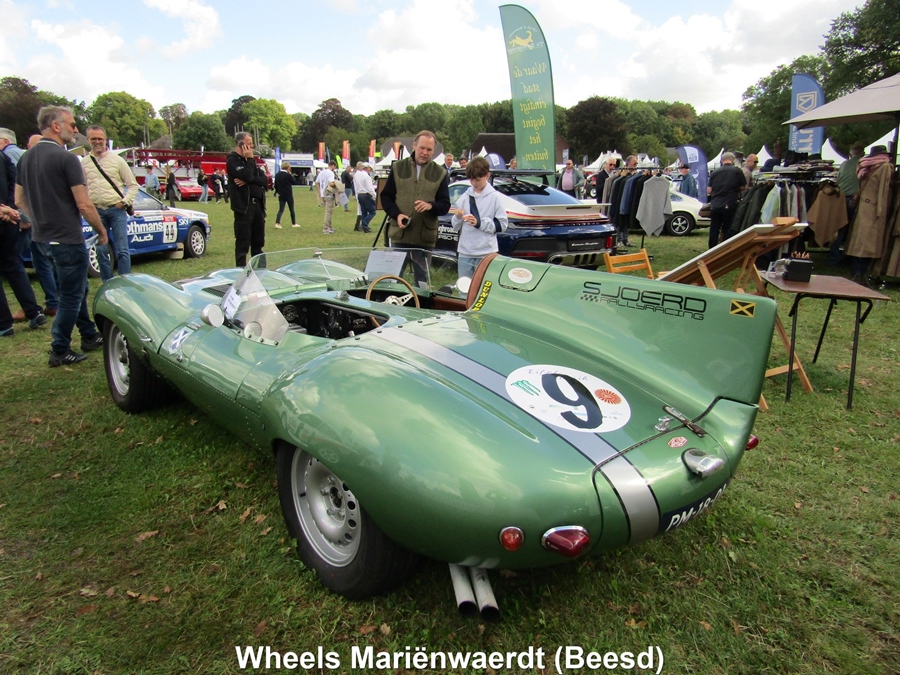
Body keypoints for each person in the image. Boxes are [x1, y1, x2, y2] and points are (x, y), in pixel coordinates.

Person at [15, 105, 107, 366]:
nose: (76, 130)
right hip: (66, 238)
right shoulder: (67, 159)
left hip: (41, 238)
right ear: (56, 126)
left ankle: (88, 334)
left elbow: (19, 200)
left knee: (76, 287)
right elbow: (84, 204)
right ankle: (60, 349)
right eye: (72, 124)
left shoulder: (25, 158)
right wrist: (101, 231)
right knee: (71, 295)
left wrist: (38, 219)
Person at [380, 130, 451, 285]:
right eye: (422, 148)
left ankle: (419, 300)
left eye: (429, 149)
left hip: (424, 238)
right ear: (414, 146)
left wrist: (430, 206)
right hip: (400, 235)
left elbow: (445, 205)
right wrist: (397, 215)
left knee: (422, 283)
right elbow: (386, 197)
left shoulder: (440, 173)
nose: (425, 153)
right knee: (393, 280)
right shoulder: (398, 168)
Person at [6, 132, 59, 320]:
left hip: (34, 218)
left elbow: (18, 195)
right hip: (48, 218)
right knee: (50, 259)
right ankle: (55, 300)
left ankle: (50, 303)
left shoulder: (22, 160)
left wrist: (26, 215)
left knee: (37, 261)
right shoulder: (49, 161)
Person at [1, 131, 46, 338]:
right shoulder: (4, 157)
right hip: (10, 218)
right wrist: (10, 209)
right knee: (14, 264)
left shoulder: (5, 156)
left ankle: (4, 323)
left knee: (13, 263)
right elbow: (14, 182)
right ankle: (33, 311)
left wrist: (6, 210)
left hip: (8, 216)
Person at [82, 125, 138, 282]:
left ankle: (125, 283)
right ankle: (107, 283)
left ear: (105, 139)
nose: (97, 142)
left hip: (116, 210)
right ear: (88, 140)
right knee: (101, 250)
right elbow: (82, 187)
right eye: (94, 139)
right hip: (97, 212)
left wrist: (124, 202)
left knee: (122, 250)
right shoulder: (84, 163)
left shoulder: (117, 161)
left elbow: (133, 185)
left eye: (100, 138)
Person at [449, 156, 508, 278]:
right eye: (471, 179)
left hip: (486, 253)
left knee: (484, 286)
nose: (474, 183)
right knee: (464, 286)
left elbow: (502, 225)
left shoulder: (495, 198)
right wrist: (457, 217)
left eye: (477, 180)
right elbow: (455, 226)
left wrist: (480, 223)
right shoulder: (464, 197)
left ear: (487, 175)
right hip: (465, 252)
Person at [226, 132, 267, 267]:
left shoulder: (251, 161)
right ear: (241, 145)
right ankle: (240, 270)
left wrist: (250, 180)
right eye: (249, 144)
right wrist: (249, 162)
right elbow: (247, 175)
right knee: (243, 242)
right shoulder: (233, 161)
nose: (252, 146)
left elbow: (264, 180)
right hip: (244, 207)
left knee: (258, 241)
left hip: (258, 206)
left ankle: (260, 270)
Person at [831, 143, 864, 264]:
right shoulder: (862, 165)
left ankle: (834, 258)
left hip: (840, 198)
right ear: (862, 153)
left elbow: (838, 180)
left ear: (850, 154)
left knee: (839, 228)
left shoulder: (844, 164)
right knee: (853, 229)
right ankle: (849, 257)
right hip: (853, 199)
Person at [706, 151, 746, 248]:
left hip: (715, 204)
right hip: (730, 203)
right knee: (727, 228)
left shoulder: (715, 172)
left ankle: (711, 249)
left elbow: (709, 190)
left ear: (721, 160)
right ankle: (725, 248)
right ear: (733, 160)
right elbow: (743, 186)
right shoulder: (737, 171)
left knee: (714, 228)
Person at [352, 163, 376, 233]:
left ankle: (365, 226)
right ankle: (364, 224)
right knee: (372, 211)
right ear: (367, 168)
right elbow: (370, 188)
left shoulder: (357, 175)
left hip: (360, 194)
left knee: (364, 212)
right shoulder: (366, 176)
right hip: (366, 195)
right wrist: (375, 195)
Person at [273, 160, 297, 229]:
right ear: (288, 167)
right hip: (288, 194)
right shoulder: (288, 175)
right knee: (291, 209)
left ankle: (277, 223)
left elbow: (276, 185)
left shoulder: (277, 175)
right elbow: (294, 182)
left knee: (281, 209)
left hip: (281, 194)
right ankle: (294, 223)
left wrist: (277, 192)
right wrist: (291, 175)